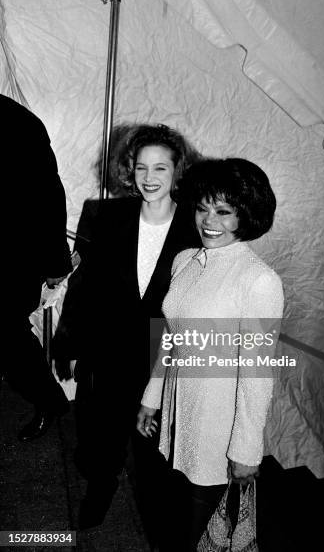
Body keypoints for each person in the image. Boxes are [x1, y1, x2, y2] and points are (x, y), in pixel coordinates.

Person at [54, 123, 201, 539]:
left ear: (178, 171)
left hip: (164, 350)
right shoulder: (103, 214)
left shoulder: (197, 225)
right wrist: (67, 342)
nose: (149, 178)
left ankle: (158, 517)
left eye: (160, 168)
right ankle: (101, 491)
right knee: (101, 435)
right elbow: (84, 287)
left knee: (155, 445)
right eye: (141, 168)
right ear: (129, 170)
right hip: (109, 346)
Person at [138, 157, 284, 550]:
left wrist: (247, 449)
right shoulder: (184, 260)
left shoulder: (259, 280)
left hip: (216, 426)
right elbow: (170, 338)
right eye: (203, 207)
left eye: (223, 211)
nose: (209, 220)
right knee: (171, 519)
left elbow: (257, 375)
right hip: (176, 414)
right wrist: (151, 400)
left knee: (202, 529)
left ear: (246, 215)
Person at [1, 93, 72, 442]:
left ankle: (51, 402)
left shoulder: (17, 122)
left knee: (9, 336)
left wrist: (56, 262)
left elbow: (49, 198)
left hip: (11, 258)